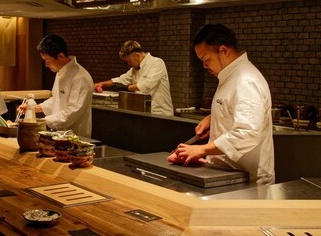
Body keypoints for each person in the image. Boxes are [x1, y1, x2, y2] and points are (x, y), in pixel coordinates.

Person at [170, 24, 275, 185]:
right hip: (225, 173)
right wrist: (215, 117)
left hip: (247, 179)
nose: (204, 66)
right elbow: (234, 108)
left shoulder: (246, 80)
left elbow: (247, 133)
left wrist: (202, 149)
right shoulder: (229, 75)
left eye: (206, 60)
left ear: (224, 50)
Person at [23, 33, 93, 137]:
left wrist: (42, 122)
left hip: (75, 136)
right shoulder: (60, 72)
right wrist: (33, 108)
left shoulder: (80, 77)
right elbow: (56, 100)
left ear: (60, 56)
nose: (46, 65)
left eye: (47, 61)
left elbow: (73, 111)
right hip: (58, 133)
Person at [93, 40, 173, 116]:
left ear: (137, 55)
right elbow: (121, 80)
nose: (129, 64)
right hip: (144, 113)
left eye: (129, 61)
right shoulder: (134, 70)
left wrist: (127, 88)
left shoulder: (157, 63)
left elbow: (147, 85)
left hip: (161, 114)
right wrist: (101, 84)